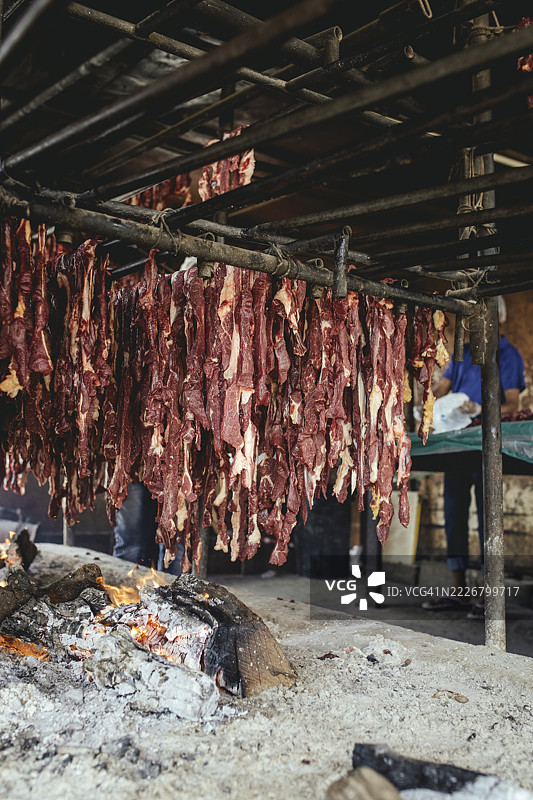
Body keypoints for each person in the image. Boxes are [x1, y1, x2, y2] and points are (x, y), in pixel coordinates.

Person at [423, 297, 525, 619]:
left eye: (484, 319)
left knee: (487, 514)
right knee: (453, 510)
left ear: (498, 321)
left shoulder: (508, 355)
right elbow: (444, 388)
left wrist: (482, 409)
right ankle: (458, 591)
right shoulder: (464, 353)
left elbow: (511, 403)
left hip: (486, 442)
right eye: (474, 320)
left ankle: (489, 596)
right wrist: (431, 381)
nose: (477, 326)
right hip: (458, 441)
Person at [113, 482, 183, 576]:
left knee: (174, 545)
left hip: (180, 474)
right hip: (134, 472)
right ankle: (125, 586)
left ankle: (175, 588)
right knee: (131, 543)